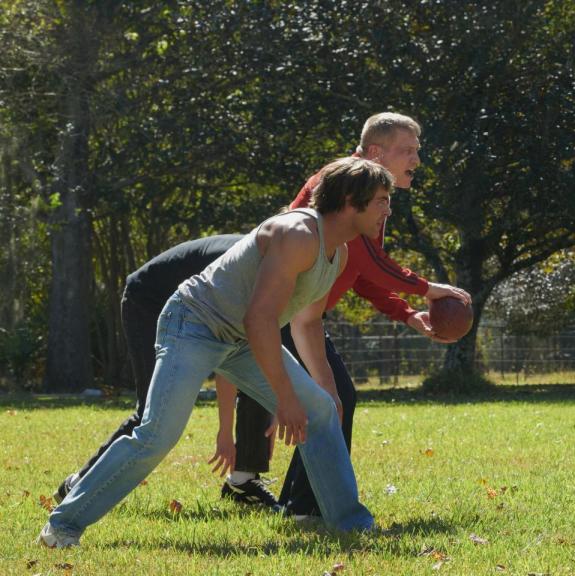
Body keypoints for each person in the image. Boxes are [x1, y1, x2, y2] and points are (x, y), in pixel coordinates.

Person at [38, 157, 387, 548]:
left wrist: (328, 393)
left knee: (321, 413)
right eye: (381, 200)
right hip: (193, 325)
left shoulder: (336, 253)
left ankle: (350, 525)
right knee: (158, 433)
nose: (387, 210)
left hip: (238, 340)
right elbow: (260, 318)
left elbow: (306, 323)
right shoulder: (298, 234)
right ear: (350, 201)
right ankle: (63, 525)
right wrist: (285, 398)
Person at [272, 112, 471, 517]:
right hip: (275, 314)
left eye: (418, 150)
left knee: (332, 399)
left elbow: (360, 271)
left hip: (301, 316)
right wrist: (427, 289)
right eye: (408, 151)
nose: (416, 160)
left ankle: (299, 503)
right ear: (377, 152)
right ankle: (305, 505)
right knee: (334, 398)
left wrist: (408, 313)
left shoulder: (373, 192)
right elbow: (370, 260)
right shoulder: (345, 184)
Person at [51, 235, 279, 510]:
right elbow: (227, 359)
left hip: (185, 305)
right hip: (147, 300)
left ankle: (243, 480)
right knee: (151, 412)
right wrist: (224, 433)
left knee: (256, 366)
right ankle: (77, 486)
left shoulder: (276, 262)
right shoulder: (253, 265)